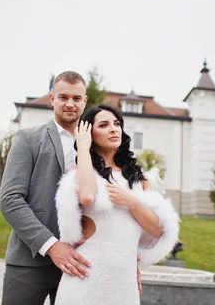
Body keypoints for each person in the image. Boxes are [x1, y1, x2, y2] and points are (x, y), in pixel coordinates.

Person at [54, 104, 180, 305]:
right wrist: (83, 148)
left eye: (117, 124)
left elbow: (157, 230)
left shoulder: (140, 179)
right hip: (85, 275)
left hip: (124, 282)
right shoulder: (80, 172)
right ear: (90, 134)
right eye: (104, 125)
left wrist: (131, 201)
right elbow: (87, 196)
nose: (114, 129)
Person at [0, 71, 91, 305]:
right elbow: (10, 199)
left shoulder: (94, 147)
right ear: (52, 99)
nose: (70, 104)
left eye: (77, 98)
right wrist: (50, 245)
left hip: (81, 263)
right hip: (29, 261)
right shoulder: (27, 139)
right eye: (63, 97)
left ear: (85, 101)